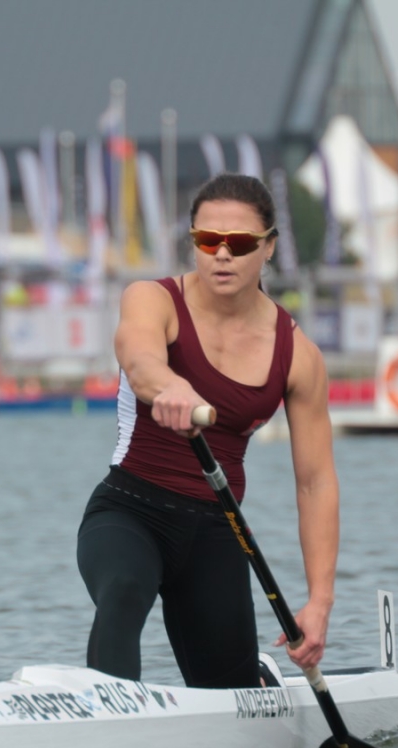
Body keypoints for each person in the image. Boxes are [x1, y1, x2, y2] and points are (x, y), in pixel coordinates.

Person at [76, 173, 338, 690]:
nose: (221, 254)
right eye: (206, 241)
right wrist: (169, 385)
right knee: (125, 589)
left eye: (239, 243)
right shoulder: (152, 299)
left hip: (218, 533)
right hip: (129, 511)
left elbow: (315, 483)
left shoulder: (298, 356)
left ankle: (254, 678)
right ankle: (106, 722)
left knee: (228, 687)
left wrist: (319, 601)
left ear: (268, 249)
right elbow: (138, 355)